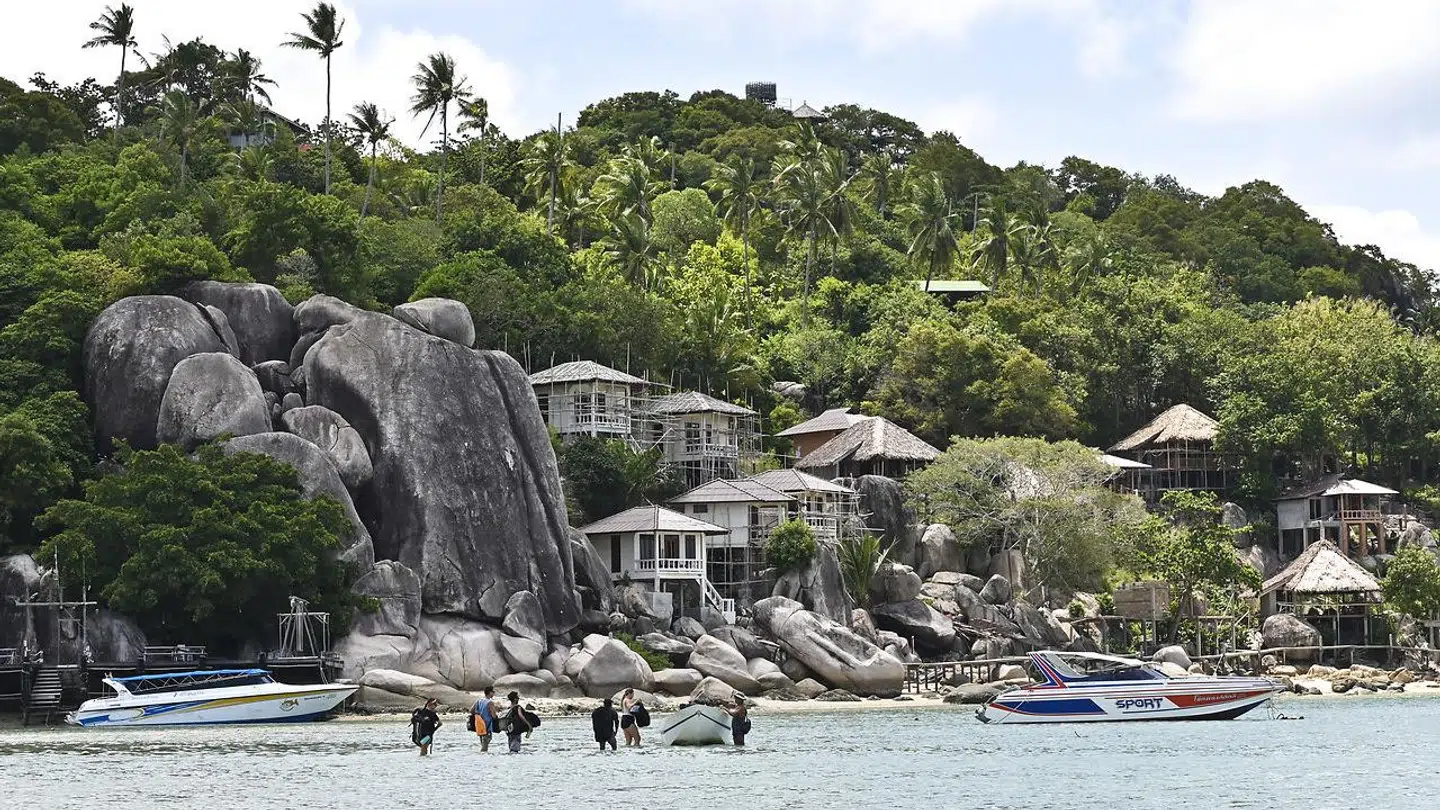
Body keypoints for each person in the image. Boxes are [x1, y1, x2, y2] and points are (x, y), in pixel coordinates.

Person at [471, 686, 496, 752]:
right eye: (493, 692)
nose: (494, 693)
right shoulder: (490, 703)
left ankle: (481, 759)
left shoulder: (479, 701)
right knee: (485, 745)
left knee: (483, 743)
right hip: (487, 726)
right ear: (489, 692)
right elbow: (493, 716)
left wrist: (479, 714)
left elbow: (471, 710)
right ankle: (483, 759)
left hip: (480, 726)